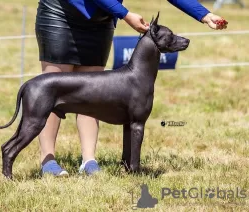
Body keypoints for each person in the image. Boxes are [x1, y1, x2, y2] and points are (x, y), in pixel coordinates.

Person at [35, 0, 228, 176]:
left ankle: (89, 160)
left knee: (92, 92)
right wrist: (125, 14)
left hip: (100, 21)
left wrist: (204, 15)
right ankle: (48, 160)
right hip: (60, 14)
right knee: (54, 89)